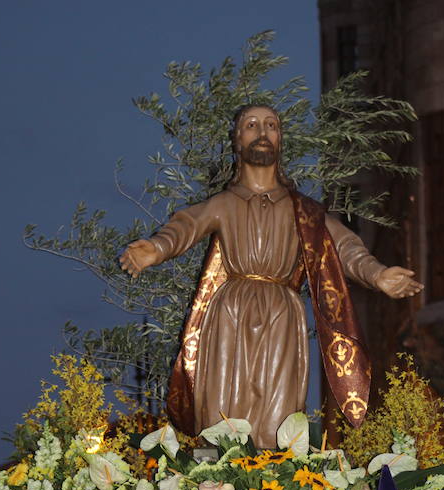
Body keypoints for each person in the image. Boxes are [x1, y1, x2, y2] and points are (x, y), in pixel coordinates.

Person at [119, 105, 422, 448]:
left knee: (278, 418)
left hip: (281, 317)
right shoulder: (223, 204)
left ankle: (277, 488)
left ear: (280, 140)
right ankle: (213, 482)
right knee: (220, 412)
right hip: (229, 314)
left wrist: (379, 275)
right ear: (236, 140)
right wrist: (157, 249)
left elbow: (345, 247)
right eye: (251, 125)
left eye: (271, 125)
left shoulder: (304, 211)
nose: (262, 132)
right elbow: (186, 225)